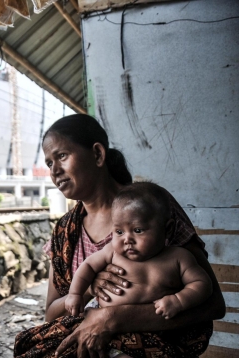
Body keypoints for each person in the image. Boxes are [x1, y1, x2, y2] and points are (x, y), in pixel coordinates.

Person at [13, 114, 226, 358]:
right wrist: (90, 289)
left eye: (62, 156)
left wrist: (112, 318)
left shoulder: (150, 207)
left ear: (97, 154)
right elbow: (51, 314)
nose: (55, 171)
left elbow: (213, 304)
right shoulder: (64, 232)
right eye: (49, 163)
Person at [66, 182, 213, 358]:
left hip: (144, 330)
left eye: (137, 230)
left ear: (167, 229)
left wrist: (178, 300)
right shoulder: (111, 252)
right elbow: (87, 266)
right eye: (119, 231)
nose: (127, 239)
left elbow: (202, 284)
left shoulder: (178, 258)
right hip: (97, 317)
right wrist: (75, 293)